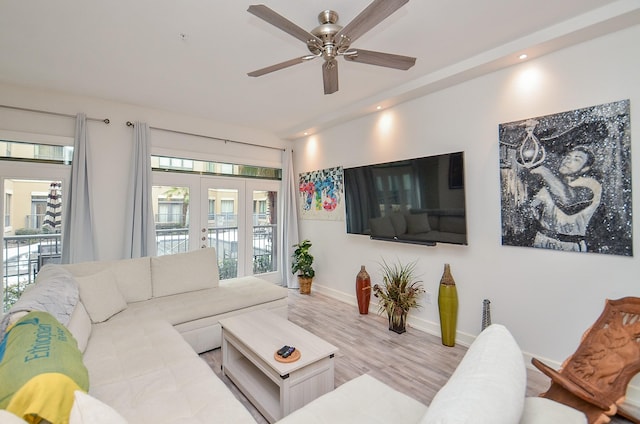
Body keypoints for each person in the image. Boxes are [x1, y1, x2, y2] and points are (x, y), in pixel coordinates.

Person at [528, 145, 602, 252]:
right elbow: (532, 207)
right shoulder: (552, 185)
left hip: (569, 245)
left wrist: (545, 172)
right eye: (567, 157)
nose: (568, 161)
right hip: (542, 240)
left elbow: (569, 201)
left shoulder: (592, 185)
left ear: (585, 168)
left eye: (576, 159)